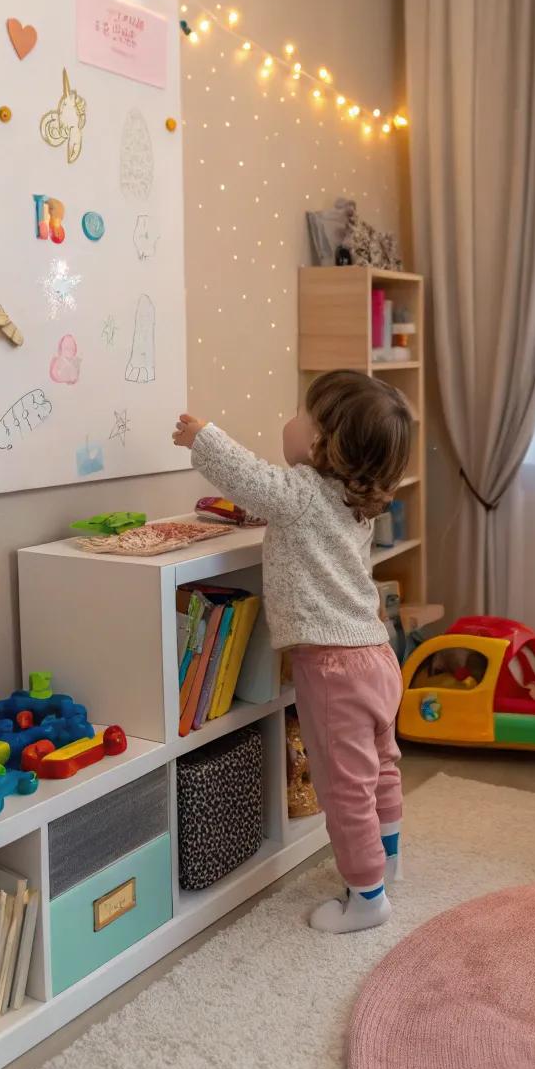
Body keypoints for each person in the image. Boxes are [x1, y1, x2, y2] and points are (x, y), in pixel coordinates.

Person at [172, 370, 412, 933]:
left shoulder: (301, 492)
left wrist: (201, 435)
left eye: (302, 414)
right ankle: (389, 859)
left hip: (333, 669)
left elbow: (248, 476)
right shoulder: (355, 504)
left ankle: (367, 896)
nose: (290, 420)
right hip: (376, 656)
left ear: (322, 443)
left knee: (342, 788)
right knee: (382, 769)